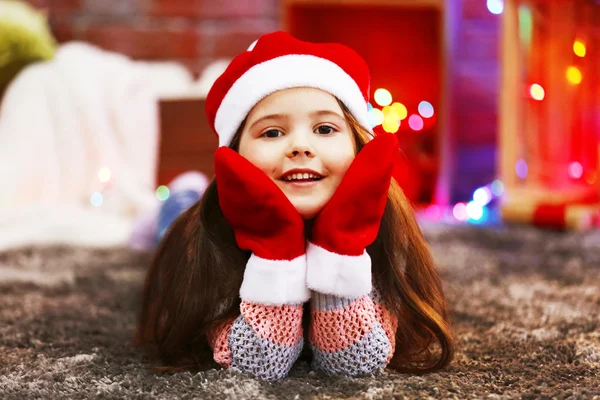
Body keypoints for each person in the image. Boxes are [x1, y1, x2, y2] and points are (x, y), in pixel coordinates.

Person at [135, 31, 455, 381]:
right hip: (187, 223)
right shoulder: (208, 241)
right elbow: (257, 364)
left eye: (324, 128)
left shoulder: (385, 231)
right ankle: (182, 191)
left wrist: (341, 247)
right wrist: (276, 251)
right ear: (236, 155)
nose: (301, 146)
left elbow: (356, 363)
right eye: (272, 133)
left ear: (358, 145)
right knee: (171, 215)